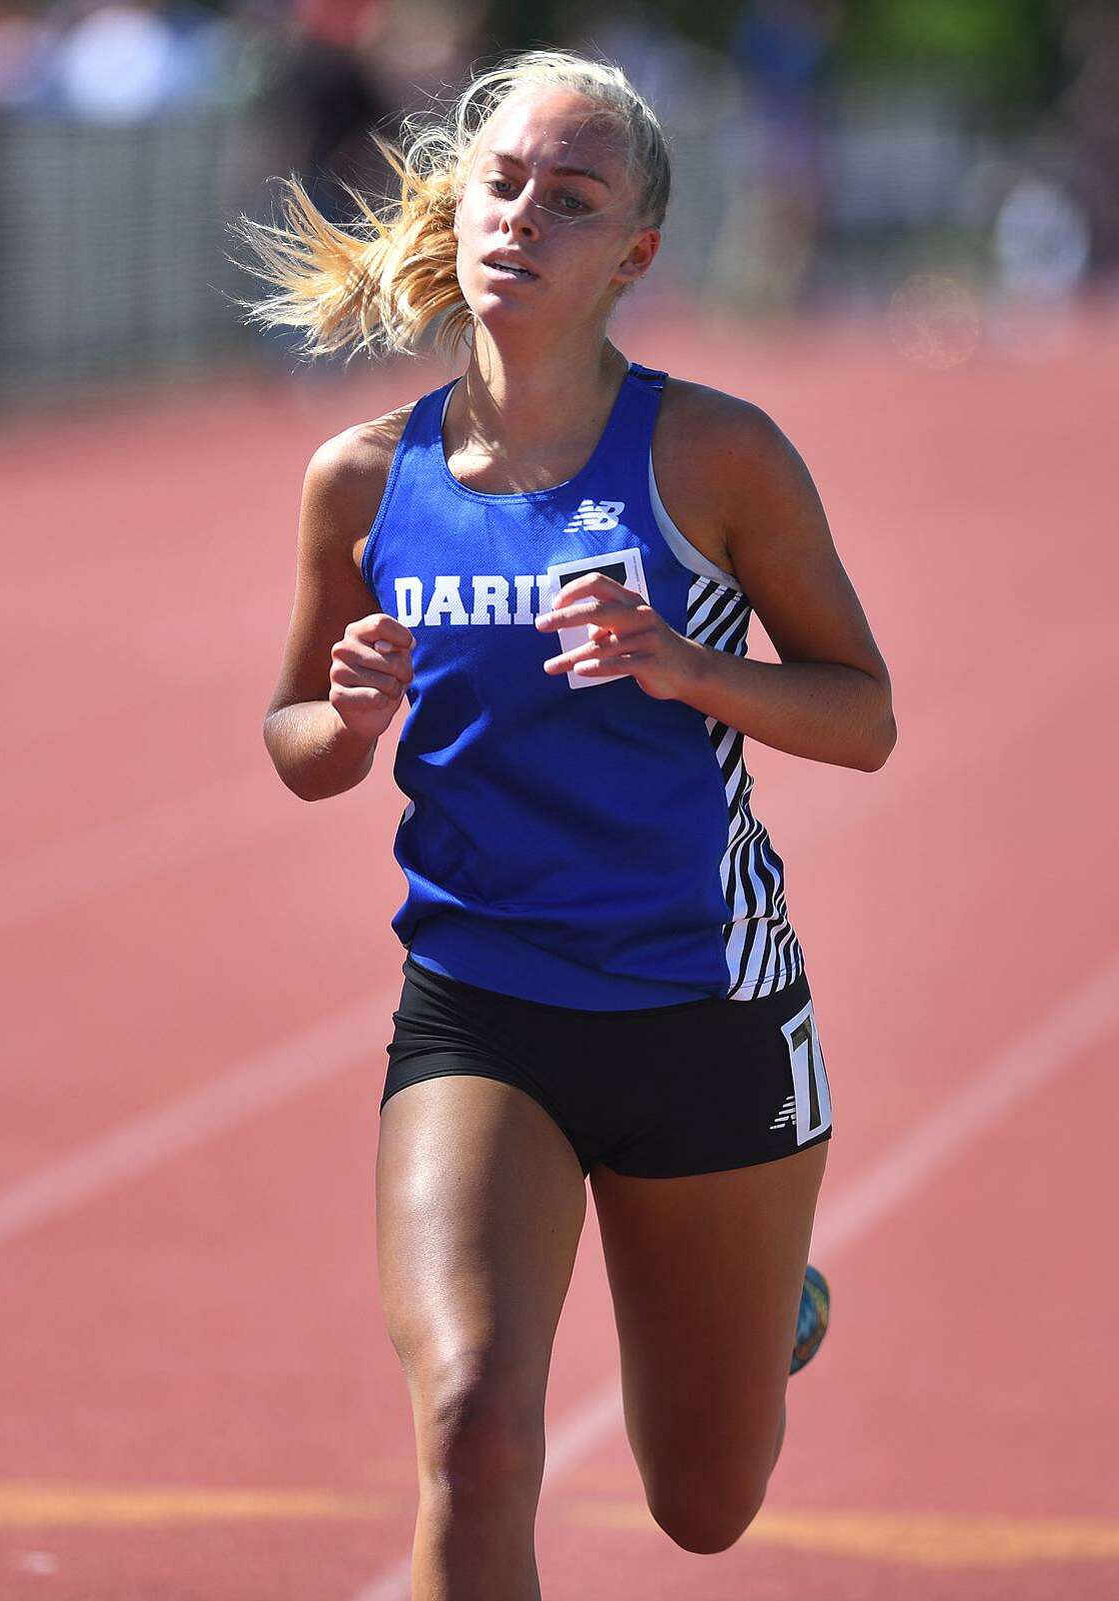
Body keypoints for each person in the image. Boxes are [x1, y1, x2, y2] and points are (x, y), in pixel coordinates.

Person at [237, 45, 895, 1597]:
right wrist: (350, 707)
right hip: (481, 1011)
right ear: (460, 207)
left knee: (705, 1504)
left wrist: (685, 664)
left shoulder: (713, 456)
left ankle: (766, 1305)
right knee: (474, 1429)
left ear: (634, 257)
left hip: (707, 1012)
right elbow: (299, 747)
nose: (524, 216)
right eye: (503, 183)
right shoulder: (362, 478)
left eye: (572, 197)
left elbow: (860, 712)